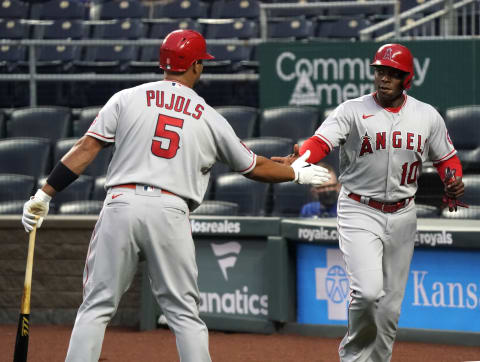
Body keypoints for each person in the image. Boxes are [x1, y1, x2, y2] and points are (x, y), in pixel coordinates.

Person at [20, 29, 330, 362]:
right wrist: (295, 172)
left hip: (120, 204)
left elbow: (85, 149)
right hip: (170, 210)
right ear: (196, 65)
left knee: (96, 305)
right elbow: (254, 167)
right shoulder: (208, 115)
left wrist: (44, 193)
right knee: (183, 315)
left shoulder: (127, 97)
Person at [274, 43, 467, 362]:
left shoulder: (426, 115)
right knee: (366, 292)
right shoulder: (351, 109)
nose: (384, 78)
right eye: (380, 71)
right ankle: (352, 357)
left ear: (407, 79)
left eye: (392, 73)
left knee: (390, 308)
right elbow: (321, 141)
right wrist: (302, 158)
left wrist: (453, 179)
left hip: (404, 214)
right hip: (359, 209)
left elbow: (447, 158)